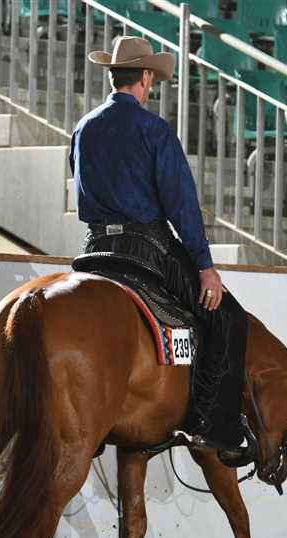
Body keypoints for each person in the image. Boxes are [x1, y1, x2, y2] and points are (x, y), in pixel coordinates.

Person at [69, 36, 248, 454]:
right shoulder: (155, 131)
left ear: (113, 76)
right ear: (146, 77)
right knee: (229, 320)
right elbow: (181, 204)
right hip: (146, 249)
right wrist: (204, 266)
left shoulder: (83, 127)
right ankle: (209, 425)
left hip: (95, 249)